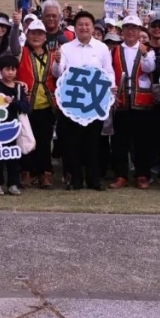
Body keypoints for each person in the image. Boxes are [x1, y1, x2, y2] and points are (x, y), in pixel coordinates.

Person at [52, 10, 116, 191]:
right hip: (72, 103)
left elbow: (108, 71)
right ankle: (75, 179)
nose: (84, 27)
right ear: (75, 27)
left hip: (94, 102)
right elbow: (58, 74)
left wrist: (111, 86)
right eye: (80, 24)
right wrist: (57, 62)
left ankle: (94, 179)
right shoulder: (66, 48)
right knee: (72, 143)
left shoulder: (101, 48)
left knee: (93, 142)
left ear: (92, 26)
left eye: (87, 24)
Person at [109, 15, 157, 189]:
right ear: (123, 31)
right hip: (121, 101)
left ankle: (142, 174)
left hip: (142, 102)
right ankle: (121, 175)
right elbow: (109, 72)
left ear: (139, 31)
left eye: (134, 28)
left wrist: (144, 53)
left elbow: (149, 68)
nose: (130, 31)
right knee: (120, 141)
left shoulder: (148, 50)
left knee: (142, 142)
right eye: (127, 28)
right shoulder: (114, 50)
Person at [16, 20, 56, 189]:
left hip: (47, 103)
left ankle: (45, 173)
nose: (36, 37)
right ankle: (27, 172)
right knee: (26, 139)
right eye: (33, 33)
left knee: (44, 141)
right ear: (27, 34)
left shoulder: (53, 55)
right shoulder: (21, 52)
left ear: (45, 36)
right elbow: (13, 44)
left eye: (40, 34)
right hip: (27, 104)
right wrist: (15, 25)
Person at [0, 54, 30, 196]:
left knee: (13, 158)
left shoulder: (19, 88)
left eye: (13, 69)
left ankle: (13, 183)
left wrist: (13, 102)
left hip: (14, 127)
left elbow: (26, 107)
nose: (10, 72)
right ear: (0, 70)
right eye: (7, 69)